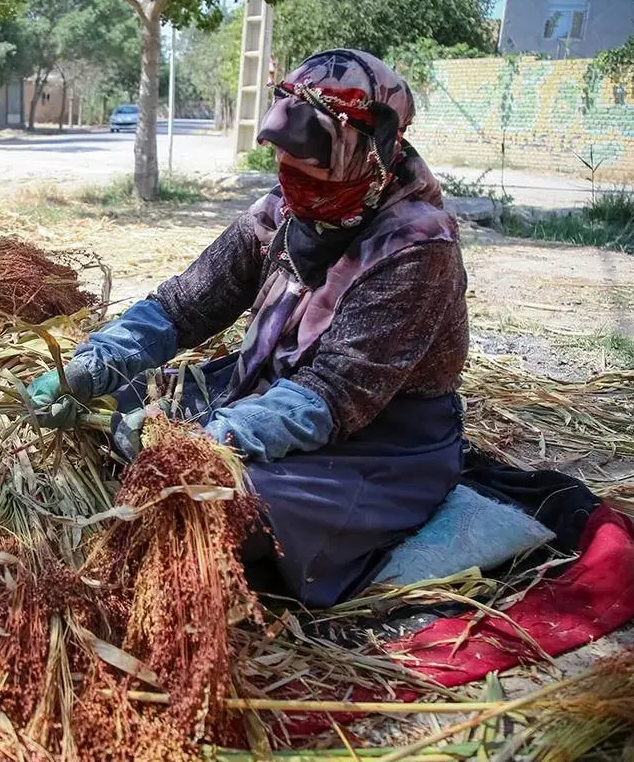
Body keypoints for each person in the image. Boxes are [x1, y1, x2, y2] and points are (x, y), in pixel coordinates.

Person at [28, 49, 470, 608]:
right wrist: (90, 366)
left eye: (313, 171)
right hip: (264, 387)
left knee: (227, 501)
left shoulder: (415, 248)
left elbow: (333, 392)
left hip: (379, 437)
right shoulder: (279, 211)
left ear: (375, 151)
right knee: (119, 405)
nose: (295, 186)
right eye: (285, 167)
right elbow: (185, 305)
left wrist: (203, 442)